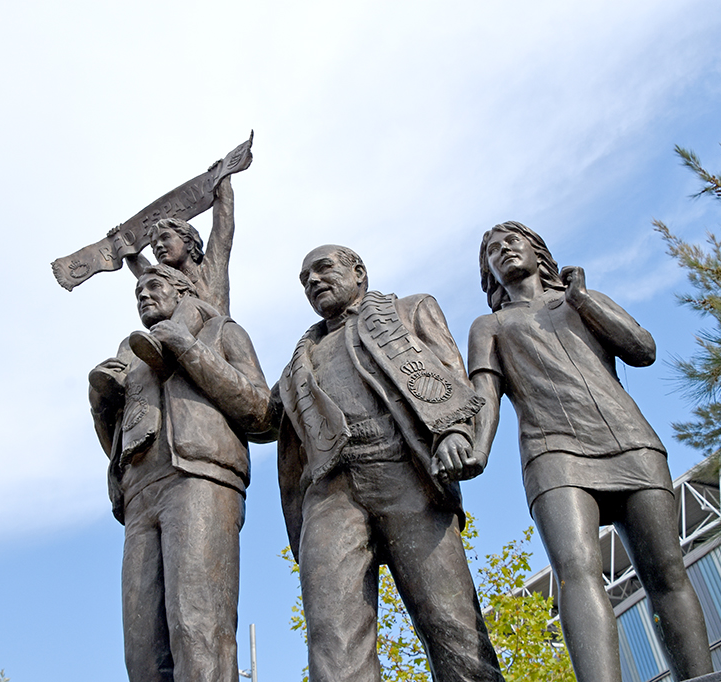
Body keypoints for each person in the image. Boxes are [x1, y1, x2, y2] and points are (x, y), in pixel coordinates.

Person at [466, 221, 713, 682]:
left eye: (510, 243)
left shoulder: (582, 301)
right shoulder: (490, 326)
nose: (502, 252)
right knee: (577, 572)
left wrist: (585, 299)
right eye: (492, 253)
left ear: (538, 251)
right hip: (552, 453)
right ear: (490, 276)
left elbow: (642, 350)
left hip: (631, 442)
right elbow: (483, 396)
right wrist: (476, 450)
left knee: (667, 571)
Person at [272, 244, 504, 682]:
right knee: (334, 641)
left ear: (359, 272)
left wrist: (454, 431)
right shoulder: (297, 364)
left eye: (323, 270)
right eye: (305, 281)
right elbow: (260, 417)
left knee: (452, 626)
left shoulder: (410, 310)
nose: (314, 282)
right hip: (330, 490)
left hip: (405, 473)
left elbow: (452, 375)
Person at [88, 263, 271, 682]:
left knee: (197, 630)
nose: (143, 296)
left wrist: (187, 348)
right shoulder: (130, 355)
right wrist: (100, 401)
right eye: (138, 292)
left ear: (183, 291)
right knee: (142, 653)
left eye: (154, 286)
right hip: (139, 495)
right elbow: (116, 440)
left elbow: (263, 415)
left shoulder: (222, 332)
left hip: (199, 478)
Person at [127, 175, 236, 315]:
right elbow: (141, 268)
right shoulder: (165, 283)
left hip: (219, 334)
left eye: (165, 238)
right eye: (153, 245)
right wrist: (124, 246)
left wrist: (222, 180)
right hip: (182, 336)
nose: (158, 246)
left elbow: (223, 226)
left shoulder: (211, 270)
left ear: (189, 242)